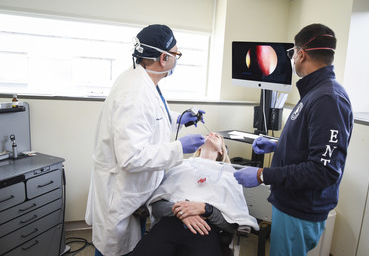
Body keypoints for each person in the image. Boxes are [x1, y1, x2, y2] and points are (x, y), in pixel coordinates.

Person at [85, 24, 207, 256]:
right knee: (115, 249)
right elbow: (131, 157)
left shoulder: (139, 79)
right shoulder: (136, 93)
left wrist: (181, 119)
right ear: (164, 58)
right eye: (176, 54)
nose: (177, 59)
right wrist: (179, 148)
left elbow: (152, 120)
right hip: (121, 190)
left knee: (133, 244)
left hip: (135, 191)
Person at [234, 23, 353, 256]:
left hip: (300, 209)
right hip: (289, 202)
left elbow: (323, 170)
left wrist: (261, 175)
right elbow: (311, 144)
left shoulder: (328, 98)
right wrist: (278, 145)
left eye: (291, 54)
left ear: (301, 53)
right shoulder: (314, 92)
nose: (293, 60)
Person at [130, 133, 259, 256]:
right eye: (209, 134)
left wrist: (206, 209)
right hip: (169, 224)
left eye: (217, 136)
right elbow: (157, 208)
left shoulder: (230, 175)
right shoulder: (179, 166)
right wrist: (181, 211)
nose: (212, 134)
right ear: (199, 146)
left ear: (221, 151)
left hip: (204, 230)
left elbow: (230, 226)